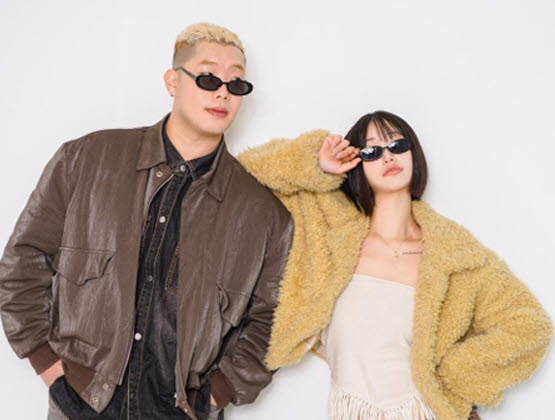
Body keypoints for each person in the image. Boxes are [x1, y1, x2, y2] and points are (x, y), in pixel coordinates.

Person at [0, 22, 293, 420]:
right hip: (82, 402)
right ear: (173, 81)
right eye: (208, 77)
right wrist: (51, 370)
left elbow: (273, 319)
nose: (223, 92)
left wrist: (217, 393)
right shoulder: (86, 159)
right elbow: (23, 263)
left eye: (236, 83)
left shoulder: (263, 213)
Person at [236, 110, 553, 420]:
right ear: (356, 162)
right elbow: (246, 169)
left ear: (414, 154)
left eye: (397, 145)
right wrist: (317, 164)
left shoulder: (454, 254)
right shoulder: (330, 232)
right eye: (372, 151)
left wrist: (455, 374)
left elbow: (530, 326)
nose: (388, 156)